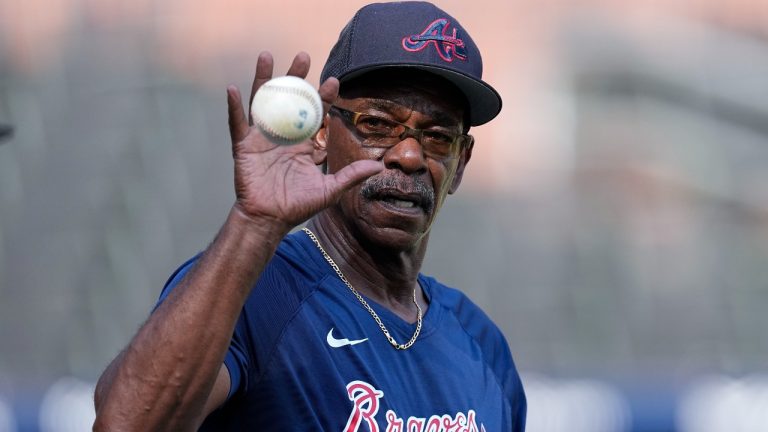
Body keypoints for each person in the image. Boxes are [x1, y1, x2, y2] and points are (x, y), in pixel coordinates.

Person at [93, 1, 526, 430]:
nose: (409, 155)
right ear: (320, 133)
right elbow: (127, 424)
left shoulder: (480, 344)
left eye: (437, 137)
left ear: (461, 162)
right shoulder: (258, 292)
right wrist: (253, 224)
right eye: (376, 124)